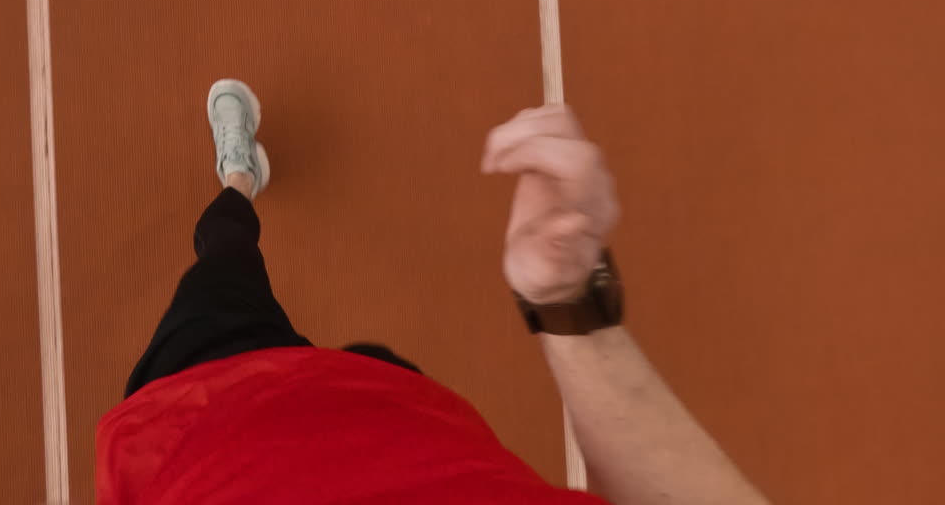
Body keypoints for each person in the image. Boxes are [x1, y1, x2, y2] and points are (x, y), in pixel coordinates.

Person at [96, 79, 768, 504]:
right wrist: (566, 301)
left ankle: (238, 178)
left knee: (222, 256)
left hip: (213, 412)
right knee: (372, 360)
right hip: (399, 417)